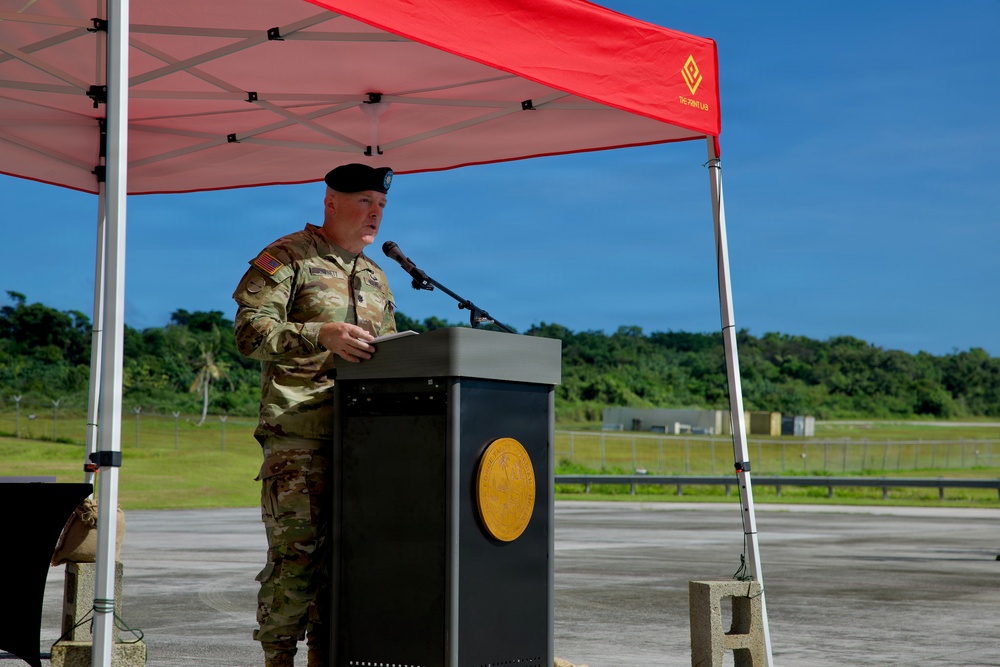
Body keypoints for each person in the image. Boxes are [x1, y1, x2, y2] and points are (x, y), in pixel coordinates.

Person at [232, 163, 397, 667]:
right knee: (296, 565)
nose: (375, 213)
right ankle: (278, 660)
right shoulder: (287, 258)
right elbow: (248, 332)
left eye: (382, 206)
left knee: (342, 571)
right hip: (299, 437)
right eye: (365, 201)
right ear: (331, 202)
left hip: (360, 445)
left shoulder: (377, 276)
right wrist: (318, 334)